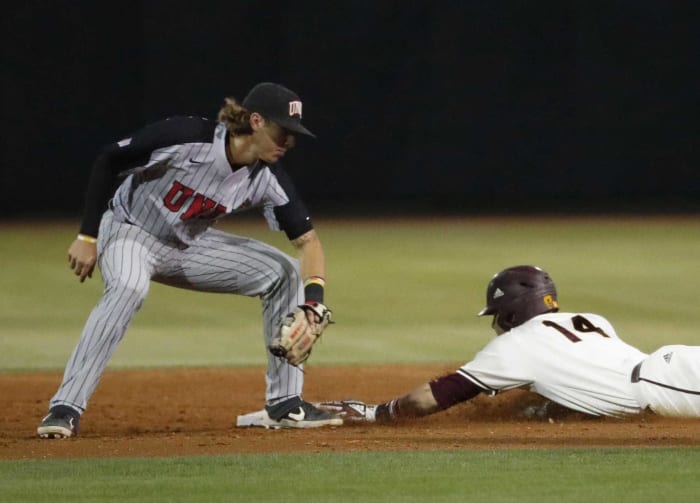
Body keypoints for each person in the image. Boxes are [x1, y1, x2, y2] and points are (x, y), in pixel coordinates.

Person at [37, 82, 342, 438]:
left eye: (294, 135)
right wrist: (87, 237)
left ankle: (285, 404)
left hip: (189, 245)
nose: (288, 142)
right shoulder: (186, 136)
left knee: (283, 273)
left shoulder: (267, 176)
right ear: (256, 121)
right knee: (129, 288)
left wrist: (313, 304)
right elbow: (109, 158)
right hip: (129, 232)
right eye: (282, 131)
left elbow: (309, 243)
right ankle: (65, 407)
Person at [320, 265, 700, 423]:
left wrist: (377, 413)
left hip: (666, 381)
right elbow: (590, 380)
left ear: (511, 313)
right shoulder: (590, 321)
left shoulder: (515, 346)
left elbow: (429, 398)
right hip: (668, 369)